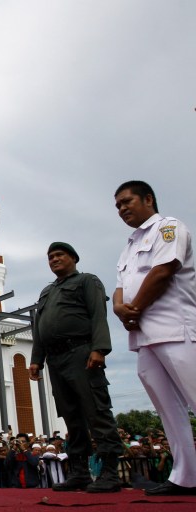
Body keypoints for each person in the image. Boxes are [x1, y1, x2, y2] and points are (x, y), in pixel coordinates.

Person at [112, 180, 196, 496]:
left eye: (127, 201)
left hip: (175, 328)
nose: (122, 209)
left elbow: (164, 271)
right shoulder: (129, 246)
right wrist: (123, 310)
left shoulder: (168, 228)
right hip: (144, 336)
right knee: (168, 410)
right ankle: (186, 476)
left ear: (148, 199)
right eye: (118, 205)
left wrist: (134, 308)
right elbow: (119, 288)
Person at [29, 242, 124, 493]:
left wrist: (99, 348)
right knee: (71, 416)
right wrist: (36, 359)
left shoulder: (86, 281)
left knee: (96, 410)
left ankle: (110, 472)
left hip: (81, 353)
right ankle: (80, 472)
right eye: (50, 257)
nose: (54, 259)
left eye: (59, 255)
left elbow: (97, 314)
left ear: (73, 258)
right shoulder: (47, 291)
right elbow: (40, 327)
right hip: (56, 360)